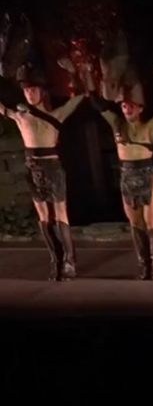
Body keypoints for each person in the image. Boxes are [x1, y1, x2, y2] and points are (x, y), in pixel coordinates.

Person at [0, 62, 88, 280]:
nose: (30, 94)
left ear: (41, 91)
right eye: (27, 91)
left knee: (60, 213)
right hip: (33, 167)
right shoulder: (20, 116)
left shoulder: (56, 114)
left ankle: (69, 261)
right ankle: (55, 259)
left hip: (51, 166)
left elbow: (79, 96)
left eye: (33, 90)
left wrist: (73, 72)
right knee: (43, 216)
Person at [87, 62, 153, 280]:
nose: (127, 110)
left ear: (140, 108)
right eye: (124, 106)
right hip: (127, 175)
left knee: (151, 223)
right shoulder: (117, 124)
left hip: (146, 175)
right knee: (136, 224)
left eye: (131, 106)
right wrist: (88, 74)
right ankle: (144, 264)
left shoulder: (149, 127)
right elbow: (97, 104)